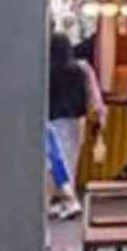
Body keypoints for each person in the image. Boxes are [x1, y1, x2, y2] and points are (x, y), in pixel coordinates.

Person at [47, 32, 101, 220]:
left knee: (53, 162)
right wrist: (99, 115)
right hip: (76, 119)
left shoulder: (46, 69)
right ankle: (66, 199)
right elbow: (94, 95)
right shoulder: (81, 68)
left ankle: (64, 200)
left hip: (51, 119)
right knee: (70, 160)